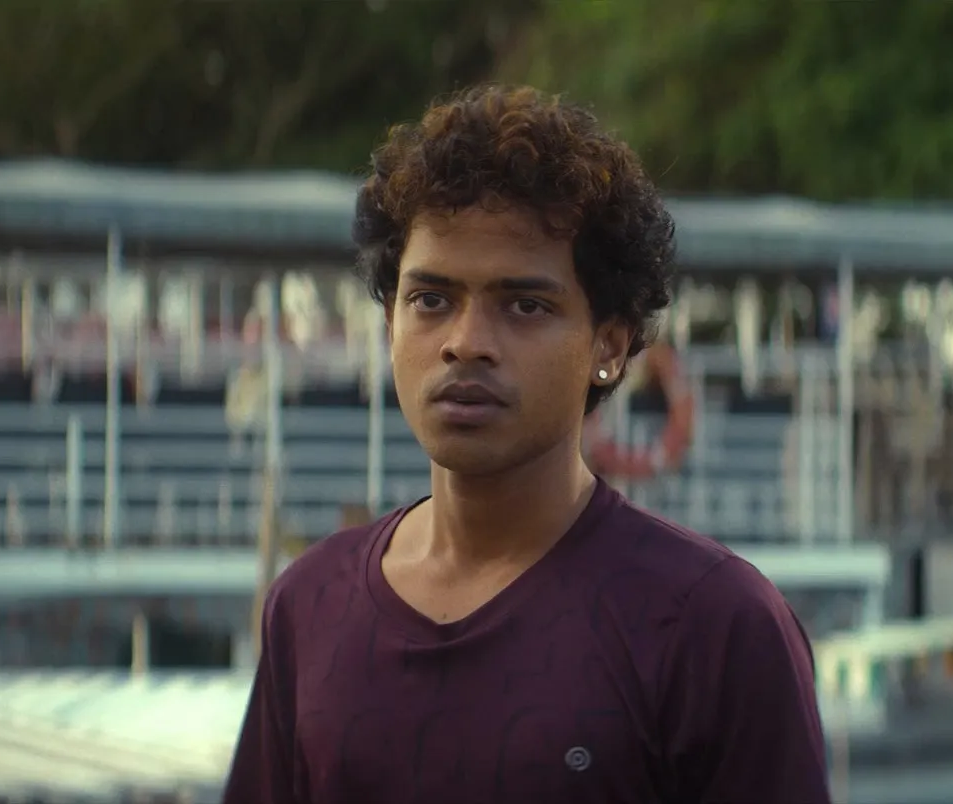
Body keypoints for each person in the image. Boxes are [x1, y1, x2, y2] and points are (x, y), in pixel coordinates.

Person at [223, 84, 831, 804]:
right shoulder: (309, 606)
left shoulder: (713, 626)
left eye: (524, 305)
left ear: (610, 344)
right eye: (431, 300)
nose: (466, 343)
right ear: (390, 324)